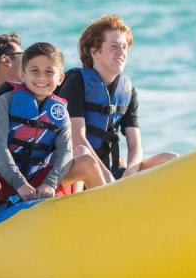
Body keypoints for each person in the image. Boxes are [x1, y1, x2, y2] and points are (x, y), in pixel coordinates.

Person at [0, 42, 107, 278]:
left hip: (34, 178)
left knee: (87, 163)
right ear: (22, 74)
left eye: (49, 72)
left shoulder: (59, 111)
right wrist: (20, 184)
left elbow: (64, 153)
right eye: (35, 71)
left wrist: (50, 183)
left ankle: (107, 229)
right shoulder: (6, 101)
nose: (41, 77)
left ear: (60, 78)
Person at [58, 15, 177, 181]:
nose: (121, 53)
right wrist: (107, 178)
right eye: (114, 46)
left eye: (124, 47)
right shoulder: (76, 82)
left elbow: (135, 146)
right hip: (79, 170)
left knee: (170, 158)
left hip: (111, 172)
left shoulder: (127, 91)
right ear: (95, 51)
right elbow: (77, 138)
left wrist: (130, 173)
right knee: (84, 155)